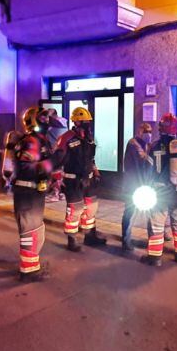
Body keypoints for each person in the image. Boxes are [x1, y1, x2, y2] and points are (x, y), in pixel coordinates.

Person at [8, 106, 58, 280]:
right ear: (34, 121)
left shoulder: (41, 140)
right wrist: (52, 163)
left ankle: (31, 266)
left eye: (47, 118)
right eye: (43, 118)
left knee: (35, 230)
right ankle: (27, 272)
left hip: (34, 192)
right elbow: (27, 168)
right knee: (30, 231)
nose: (47, 120)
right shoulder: (31, 141)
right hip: (27, 192)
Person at [143, 112, 177, 267]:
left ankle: (155, 258)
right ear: (176, 129)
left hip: (159, 193)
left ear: (160, 128)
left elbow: (147, 172)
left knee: (157, 225)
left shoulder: (154, 147)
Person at [55, 106, 106, 252]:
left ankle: (90, 236)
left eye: (88, 121)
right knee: (75, 210)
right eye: (84, 121)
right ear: (76, 122)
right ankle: (71, 239)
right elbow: (57, 159)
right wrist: (58, 180)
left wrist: (96, 173)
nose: (87, 124)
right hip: (73, 181)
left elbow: (91, 158)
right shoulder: (66, 137)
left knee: (91, 207)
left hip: (88, 180)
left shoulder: (88, 138)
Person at [121, 122, 154, 254]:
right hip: (133, 185)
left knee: (152, 211)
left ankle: (155, 236)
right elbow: (144, 160)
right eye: (147, 131)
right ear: (140, 131)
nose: (149, 134)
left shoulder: (146, 145)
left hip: (144, 185)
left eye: (151, 131)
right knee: (130, 212)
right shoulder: (134, 144)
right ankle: (126, 240)